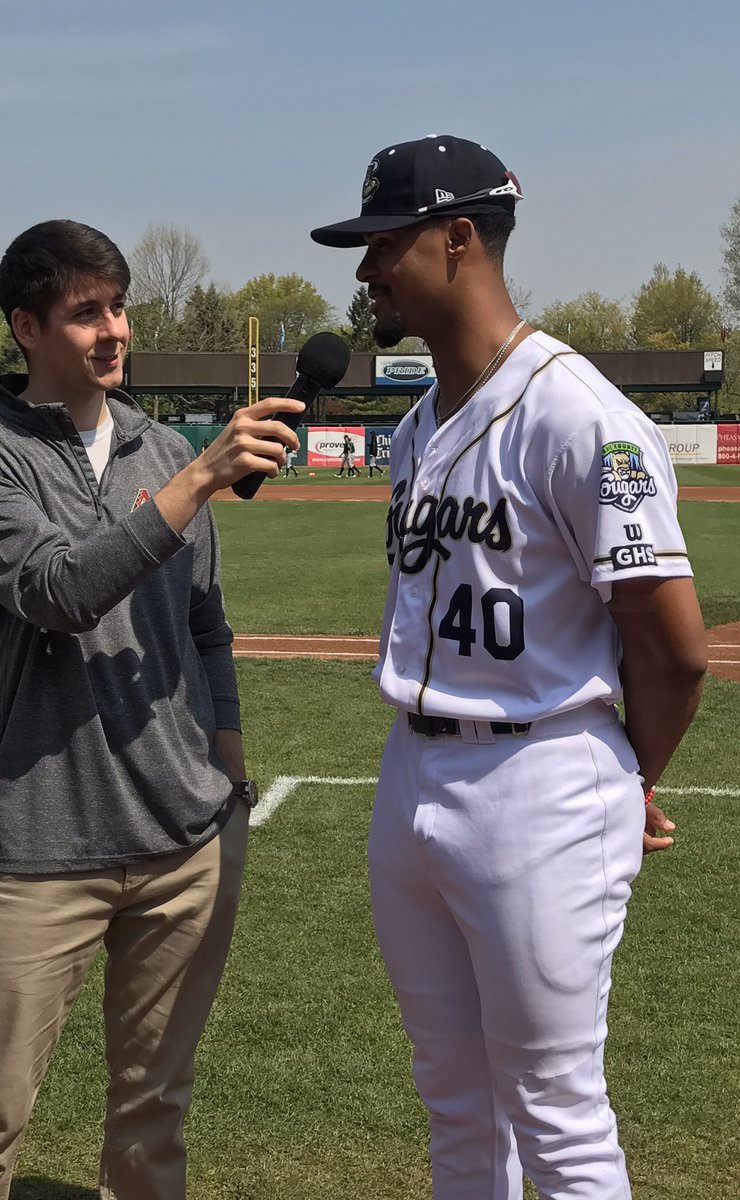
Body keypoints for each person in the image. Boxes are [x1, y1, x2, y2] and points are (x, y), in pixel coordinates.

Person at [311, 134, 708, 1199]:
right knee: (453, 1100)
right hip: (414, 774)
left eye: (383, 243)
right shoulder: (417, 426)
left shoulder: (581, 415)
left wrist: (627, 776)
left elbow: (673, 652)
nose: (364, 270)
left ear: (458, 237)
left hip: (540, 778)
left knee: (558, 1115)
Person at [0, 219, 304, 1200]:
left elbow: (208, 624)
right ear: (25, 327)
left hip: (186, 845)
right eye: (84, 311)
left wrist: (229, 769)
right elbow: (59, 589)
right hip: (44, 849)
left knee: (152, 1122)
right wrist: (199, 480)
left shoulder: (159, 446)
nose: (111, 330)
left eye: (118, 306)